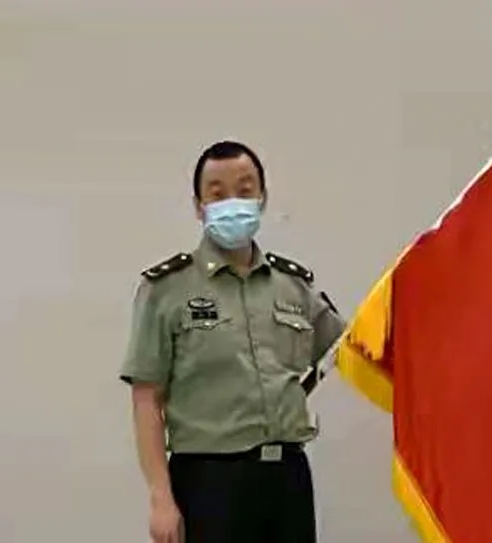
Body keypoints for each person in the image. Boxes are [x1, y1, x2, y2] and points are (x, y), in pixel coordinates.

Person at [119, 140, 346, 543]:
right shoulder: (167, 290)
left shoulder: (292, 285)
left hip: (287, 478)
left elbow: (351, 348)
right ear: (199, 206)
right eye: (218, 194)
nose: (233, 203)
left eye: (244, 190)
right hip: (209, 482)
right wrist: (160, 497)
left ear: (262, 198)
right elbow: (146, 399)